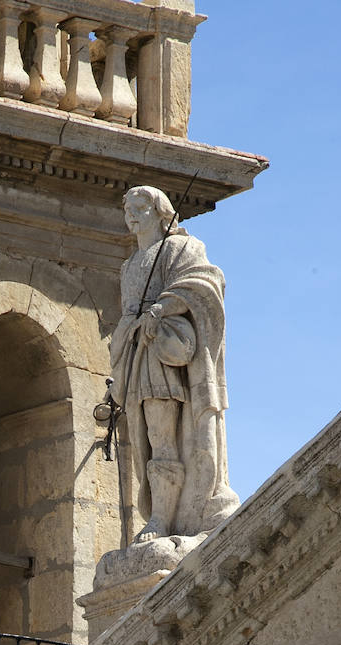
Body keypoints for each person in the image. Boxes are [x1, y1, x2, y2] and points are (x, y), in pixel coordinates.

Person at [109, 185, 239, 543]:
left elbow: (205, 282)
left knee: (165, 437)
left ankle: (164, 520)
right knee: (148, 439)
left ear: (161, 212)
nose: (132, 215)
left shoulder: (182, 247)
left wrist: (162, 308)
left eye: (140, 208)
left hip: (165, 358)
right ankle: (161, 515)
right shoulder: (130, 265)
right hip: (138, 355)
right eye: (127, 209)